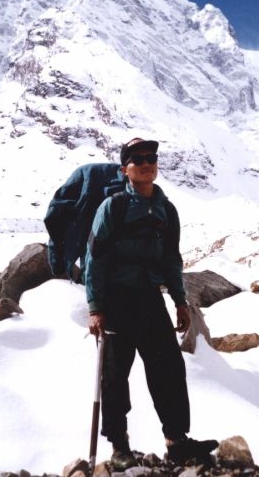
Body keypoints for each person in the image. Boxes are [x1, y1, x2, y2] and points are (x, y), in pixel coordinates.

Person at [85, 137, 218, 470]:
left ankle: (177, 441)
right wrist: (95, 307)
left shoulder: (165, 209)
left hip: (149, 299)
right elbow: (95, 259)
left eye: (151, 157)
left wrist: (180, 301)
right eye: (138, 159)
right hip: (116, 301)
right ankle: (119, 445)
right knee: (115, 377)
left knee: (169, 369)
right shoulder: (113, 207)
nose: (146, 163)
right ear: (125, 169)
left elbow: (171, 259)